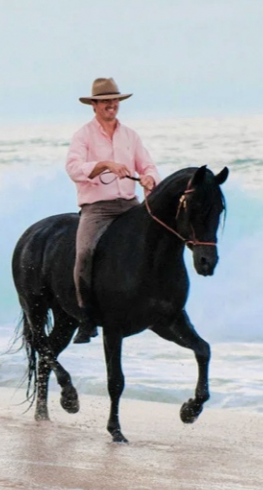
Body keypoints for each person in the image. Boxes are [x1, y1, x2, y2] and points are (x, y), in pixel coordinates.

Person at [64, 77, 159, 344]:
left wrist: (150, 178)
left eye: (114, 100)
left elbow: (147, 165)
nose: (111, 105)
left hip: (129, 204)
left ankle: (157, 303)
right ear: (94, 105)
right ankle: (85, 317)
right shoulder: (83, 135)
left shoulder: (130, 135)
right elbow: (73, 168)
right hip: (97, 208)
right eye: (105, 101)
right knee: (85, 252)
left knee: (160, 240)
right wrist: (105, 164)